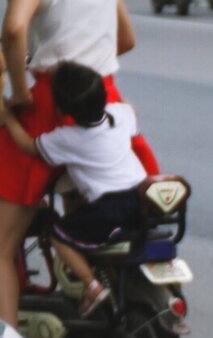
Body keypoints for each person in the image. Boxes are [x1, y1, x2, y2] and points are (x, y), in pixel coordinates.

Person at [0, 0, 158, 329]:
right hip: (103, 99)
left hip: (47, 108)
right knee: (86, 208)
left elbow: (13, 30)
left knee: (4, 244)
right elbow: (125, 39)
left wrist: (22, 92)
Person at [1, 61, 147, 316]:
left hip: (108, 208)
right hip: (139, 198)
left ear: (61, 109)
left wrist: (8, 119)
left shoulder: (67, 139)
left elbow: (28, 146)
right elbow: (132, 112)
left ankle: (91, 285)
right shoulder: (120, 114)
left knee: (57, 233)